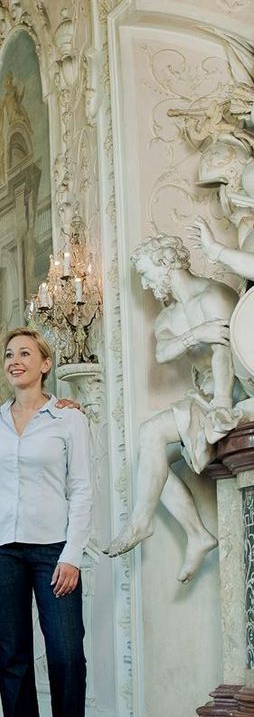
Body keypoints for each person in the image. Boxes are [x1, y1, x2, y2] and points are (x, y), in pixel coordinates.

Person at [105, 233, 239, 582]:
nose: (147, 286)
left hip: (233, 396)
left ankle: (142, 522)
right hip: (204, 398)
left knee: (150, 434)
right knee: (152, 456)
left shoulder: (215, 295)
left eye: (148, 275)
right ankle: (196, 534)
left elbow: (226, 353)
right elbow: (163, 352)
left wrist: (224, 404)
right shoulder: (167, 318)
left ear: (165, 263)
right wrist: (198, 334)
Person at [0, 327, 92, 717]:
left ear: (45, 364)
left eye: (25, 354)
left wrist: (72, 555)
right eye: (10, 354)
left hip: (53, 552)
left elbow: (81, 489)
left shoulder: (68, 419)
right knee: (12, 659)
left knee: (66, 655)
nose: (15, 361)